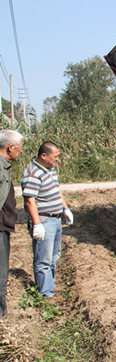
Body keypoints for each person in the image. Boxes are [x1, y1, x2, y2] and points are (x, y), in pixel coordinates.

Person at [21, 142, 74, 297]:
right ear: (44, 156)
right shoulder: (33, 173)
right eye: (55, 156)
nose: (57, 159)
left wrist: (65, 208)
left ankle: (49, 284)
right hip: (44, 220)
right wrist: (37, 224)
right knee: (43, 258)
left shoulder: (50, 170)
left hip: (56, 219)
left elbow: (57, 190)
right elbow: (30, 199)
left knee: (53, 255)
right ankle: (45, 292)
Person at [0, 130, 23, 317]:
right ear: (10, 147)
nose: (20, 152)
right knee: (1, 271)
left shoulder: (4, 166)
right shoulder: (0, 168)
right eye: (19, 149)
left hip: (3, 226)